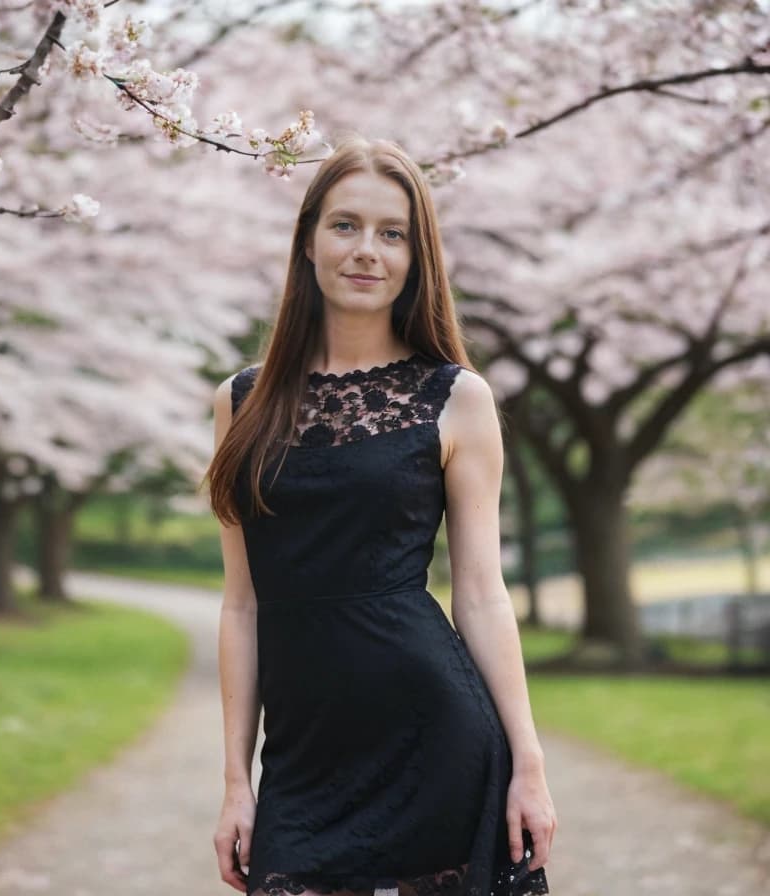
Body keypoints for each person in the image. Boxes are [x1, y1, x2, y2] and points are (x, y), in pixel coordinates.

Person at [204, 135, 556, 896]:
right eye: (345, 225)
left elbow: (482, 594)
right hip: (302, 757)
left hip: (434, 736)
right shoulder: (240, 402)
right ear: (307, 242)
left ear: (416, 256)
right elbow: (241, 603)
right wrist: (236, 780)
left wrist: (528, 763)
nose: (367, 251)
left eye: (392, 233)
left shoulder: (458, 398)